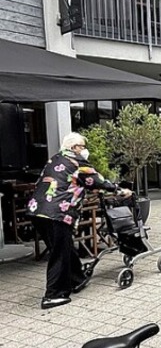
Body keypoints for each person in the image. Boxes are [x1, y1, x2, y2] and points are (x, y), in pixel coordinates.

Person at [28, 132, 131, 310]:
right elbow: (97, 180)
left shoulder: (56, 158)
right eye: (83, 146)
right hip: (57, 213)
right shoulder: (76, 160)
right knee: (59, 252)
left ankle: (77, 279)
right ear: (74, 147)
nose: (85, 150)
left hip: (37, 210)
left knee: (63, 246)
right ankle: (53, 295)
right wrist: (120, 191)